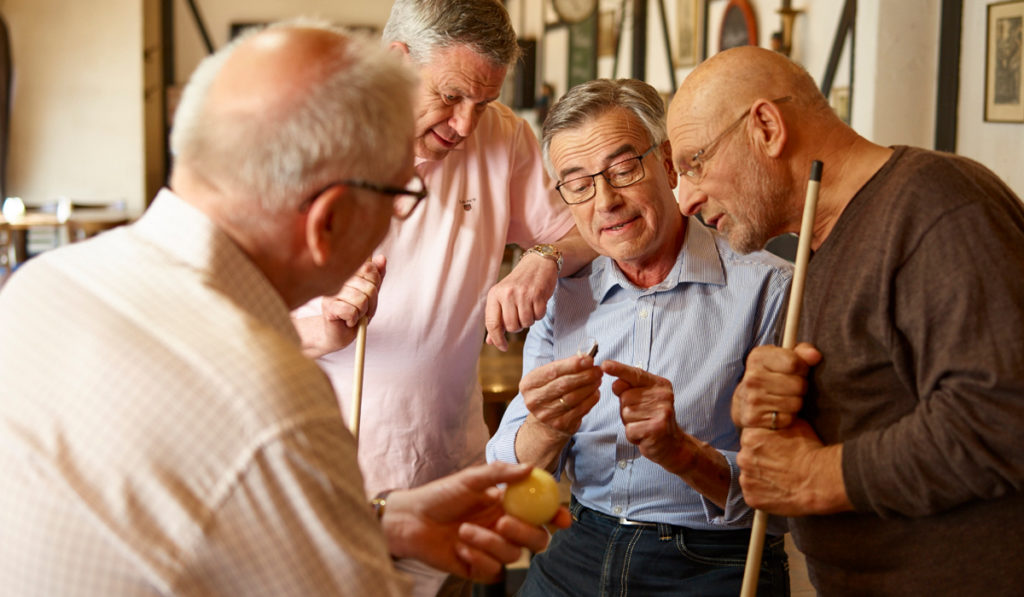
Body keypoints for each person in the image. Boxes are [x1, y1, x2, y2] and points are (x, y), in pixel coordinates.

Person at [0, 21, 569, 596]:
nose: (404, 213)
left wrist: (380, 519)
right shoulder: (274, 403)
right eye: (401, 194)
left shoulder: (41, 286)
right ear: (329, 221)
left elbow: (177, 526)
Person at [667, 45, 1024, 595]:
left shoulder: (937, 204)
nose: (686, 199)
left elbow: (1001, 416)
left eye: (694, 163)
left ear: (766, 128)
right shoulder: (820, 241)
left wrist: (814, 476)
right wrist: (766, 412)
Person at [291, 2, 593, 593]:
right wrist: (319, 331)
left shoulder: (504, 135)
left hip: (449, 479)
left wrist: (545, 256)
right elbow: (217, 331)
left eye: (483, 102)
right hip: (320, 486)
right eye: (451, 96)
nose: (465, 125)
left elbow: (589, 234)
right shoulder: (305, 137)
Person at [486, 78, 794, 596]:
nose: (605, 201)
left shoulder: (769, 289)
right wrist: (547, 425)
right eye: (578, 184)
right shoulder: (562, 294)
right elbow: (505, 476)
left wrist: (680, 451)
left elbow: (789, 496)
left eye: (624, 169)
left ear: (669, 164)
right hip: (581, 541)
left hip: (714, 558)